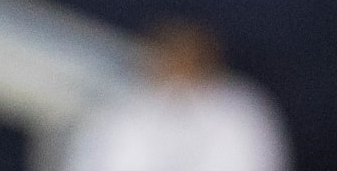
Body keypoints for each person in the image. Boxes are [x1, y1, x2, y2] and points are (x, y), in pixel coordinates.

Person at [58, 17, 292, 171]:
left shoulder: (240, 107)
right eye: (172, 52)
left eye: (188, 53)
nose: (179, 62)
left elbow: (258, 161)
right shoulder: (121, 108)